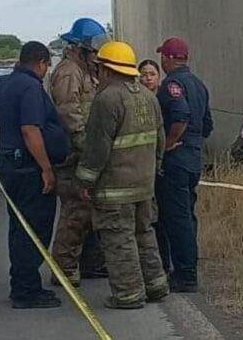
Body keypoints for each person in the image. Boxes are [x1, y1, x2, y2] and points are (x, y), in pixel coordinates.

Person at [73, 41, 169, 309]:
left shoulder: (107, 99)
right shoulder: (149, 97)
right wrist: (154, 168)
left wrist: (84, 181)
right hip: (144, 185)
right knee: (144, 234)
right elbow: (159, 140)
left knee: (119, 240)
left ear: (106, 69)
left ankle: (128, 295)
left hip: (115, 189)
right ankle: (156, 285)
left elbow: (96, 148)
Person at [0, 42, 69, 309]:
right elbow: (30, 130)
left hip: (12, 165)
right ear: (42, 63)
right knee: (34, 228)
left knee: (19, 226)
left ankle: (23, 284)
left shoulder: (5, 85)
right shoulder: (30, 88)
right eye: (47, 66)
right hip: (29, 168)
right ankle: (26, 291)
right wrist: (46, 168)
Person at [49, 18, 110, 287]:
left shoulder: (85, 71)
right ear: (79, 48)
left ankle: (88, 264)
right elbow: (69, 112)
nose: (97, 56)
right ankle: (63, 268)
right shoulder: (68, 72)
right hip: (74, 156)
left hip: (84, 153)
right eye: (93, 51)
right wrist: (87, 145)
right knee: (75, 213)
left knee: (88, 212)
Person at [155, 37, 213, 292]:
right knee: (187, 216)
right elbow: (208, 126)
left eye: (162, 57)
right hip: (193, 159)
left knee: (176, 218)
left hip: (176, 161)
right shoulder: (199, 85)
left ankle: (185, 275)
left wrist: (168, 143)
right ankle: (187, 266)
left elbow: (181, 115)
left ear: (167, 58)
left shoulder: (172, 85)